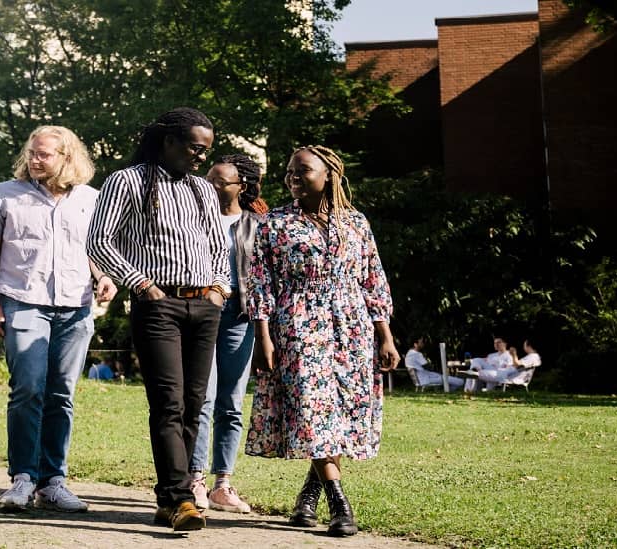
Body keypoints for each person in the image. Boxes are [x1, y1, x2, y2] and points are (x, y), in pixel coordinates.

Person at [86, 107, 229, 532]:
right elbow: (99, 241)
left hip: (205, 306)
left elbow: (218, 246)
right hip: (158, 305)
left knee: (194, 404)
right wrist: (142, 284)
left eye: (206, 150)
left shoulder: (203, 190)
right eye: (194, 148)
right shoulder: (126, 181)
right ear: (168, 141)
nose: (201, 157)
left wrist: (220, 289)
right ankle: (181, 498)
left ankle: (171, 498)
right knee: (168, 403)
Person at [246, 145, 399, 537]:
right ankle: (339, 502)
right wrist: (263, 336)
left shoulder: (356, 223)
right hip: (297, 324)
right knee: (312, 409)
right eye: (289, 172)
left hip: (351, 327)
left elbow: (373, 279)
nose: (292, 177)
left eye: (302, 170)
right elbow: (260, 283)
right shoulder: (274, 223)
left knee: (338, 415)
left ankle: (307, 497)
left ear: (329, 174)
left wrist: (385, 335)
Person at [0, 126, 115, 514]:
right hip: (23, 302)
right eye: (32, 153)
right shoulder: (4, 194)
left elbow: (96, 250)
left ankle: (53, 482)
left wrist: (104, 276)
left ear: (66, 157)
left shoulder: (92, 199)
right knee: (28, 390)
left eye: (45, 155)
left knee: (61, 395)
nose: (35, 160)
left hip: (75, 305)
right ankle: (22, 478)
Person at [189, 154, 268, 514]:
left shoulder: (257, 223)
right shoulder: (193, 218)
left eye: (221, 181)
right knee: (202, 399)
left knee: (232, 403)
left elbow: (265, 277)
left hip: (240, 316)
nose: (213, 186)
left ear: (243, 187)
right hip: (202, 311)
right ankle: (195, 480)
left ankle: (223, 483)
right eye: (210, 179)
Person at [468, 339, 541, 391]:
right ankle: (474, 370)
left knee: (476, 373)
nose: (523, 346)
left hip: (506, 374)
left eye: (524, 345)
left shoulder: (533, 356)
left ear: (528, 346)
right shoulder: (532, 356)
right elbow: (518, 365)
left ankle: (472, 376)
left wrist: (514, 355)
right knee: (476, 361)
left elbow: (518, 365)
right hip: (503, 372)